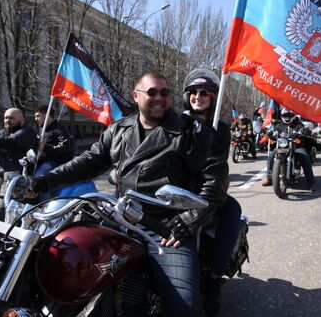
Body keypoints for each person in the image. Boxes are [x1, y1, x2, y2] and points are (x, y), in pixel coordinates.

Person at [31, 70, 229, 316]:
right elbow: (89, 161)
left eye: (165, 92)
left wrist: (188, 220)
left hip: (166, 227)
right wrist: (42, 182)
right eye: (152, 92)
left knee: (184, 308)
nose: (159, 97)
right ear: (136, 96)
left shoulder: (194, 132)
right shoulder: (119, 129)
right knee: (65, 257)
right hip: (120, 217)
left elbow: (215, 183)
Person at [182, 69, 241, 316]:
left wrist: (209, 134)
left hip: (207, 190)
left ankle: (215, 277)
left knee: (232, 209)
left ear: (213, 96)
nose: (198, 96)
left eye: (204, 92)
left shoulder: (221, 129)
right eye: (193, 92)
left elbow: (217, 165)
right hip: (176, 187)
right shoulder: (176, 122)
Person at [261, 108, 316, 191]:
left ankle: (310, 183)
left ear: (293, 116)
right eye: (285, 116)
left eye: (289, 115)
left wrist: (305, 131)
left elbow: (304, 130)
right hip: (282, 146)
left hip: (297, 147)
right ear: (282, 116)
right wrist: (270, 133)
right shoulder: (278, 125)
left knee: (305, 157)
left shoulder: (298, 124)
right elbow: (272, 132)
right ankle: (269, 178)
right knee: (271, 156)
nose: (287, 118)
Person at [34, 104, 76, 176]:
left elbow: (64, 146)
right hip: (42, 160)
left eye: (38, 116)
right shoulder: (42, 129)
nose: (35, 119)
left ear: (46, 115)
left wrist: (45, 147)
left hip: (56, 162)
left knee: (39, 176)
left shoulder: (59, 129)